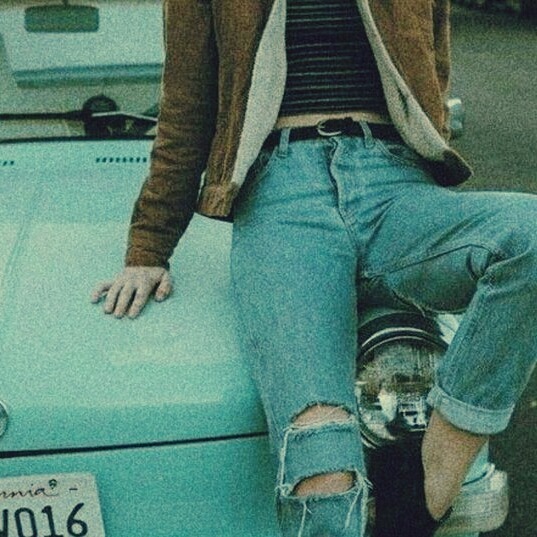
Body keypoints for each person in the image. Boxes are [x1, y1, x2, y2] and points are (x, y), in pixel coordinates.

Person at [91, 0, 536, 535]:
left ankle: (445, 454)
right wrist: (148, 248)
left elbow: (430, 76)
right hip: (282, 193)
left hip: (395, 185)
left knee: (529, 235)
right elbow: (186, 109)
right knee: (320, 464)